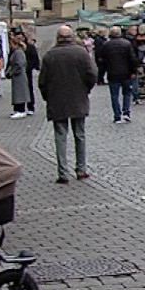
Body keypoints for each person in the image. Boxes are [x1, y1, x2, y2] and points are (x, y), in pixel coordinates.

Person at [41, 25, 95, 184]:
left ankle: (63, 172)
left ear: (58, 38)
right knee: (80, 134)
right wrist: (86, 90)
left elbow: (42, 81)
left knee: (60, 136)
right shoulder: (81, 53)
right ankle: (81, 168)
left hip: (57, 100)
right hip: (78, 98)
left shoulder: (49, 55)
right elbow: (92, 75)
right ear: (71, 37)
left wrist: (48, 97)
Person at [98, 27, 138, 123]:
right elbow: (132, 59)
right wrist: (133, 71)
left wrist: (104, 71)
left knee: (114, 95)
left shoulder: (106, 45)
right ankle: (126, 112)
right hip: (126, 73)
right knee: (127, 93)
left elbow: (101, 59)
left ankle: (117, 116)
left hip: (112, 73)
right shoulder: (127, 44)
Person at [6, 36, 32, 119]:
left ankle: (21, 110)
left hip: (19, 76)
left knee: (20, 93)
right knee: (18, 93)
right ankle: (18, 109)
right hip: (17, 76)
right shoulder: (17, 52)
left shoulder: (18, 52)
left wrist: (12, 72)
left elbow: (19, 64)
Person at [22, 30, 40, 113]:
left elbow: (34, 57)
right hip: (19, 72)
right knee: (20, 89)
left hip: (27, 70)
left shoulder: (30, 47)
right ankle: (20, 107)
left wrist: (34, 66)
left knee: (29, 87)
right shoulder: (16, 47)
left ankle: (30, 106)